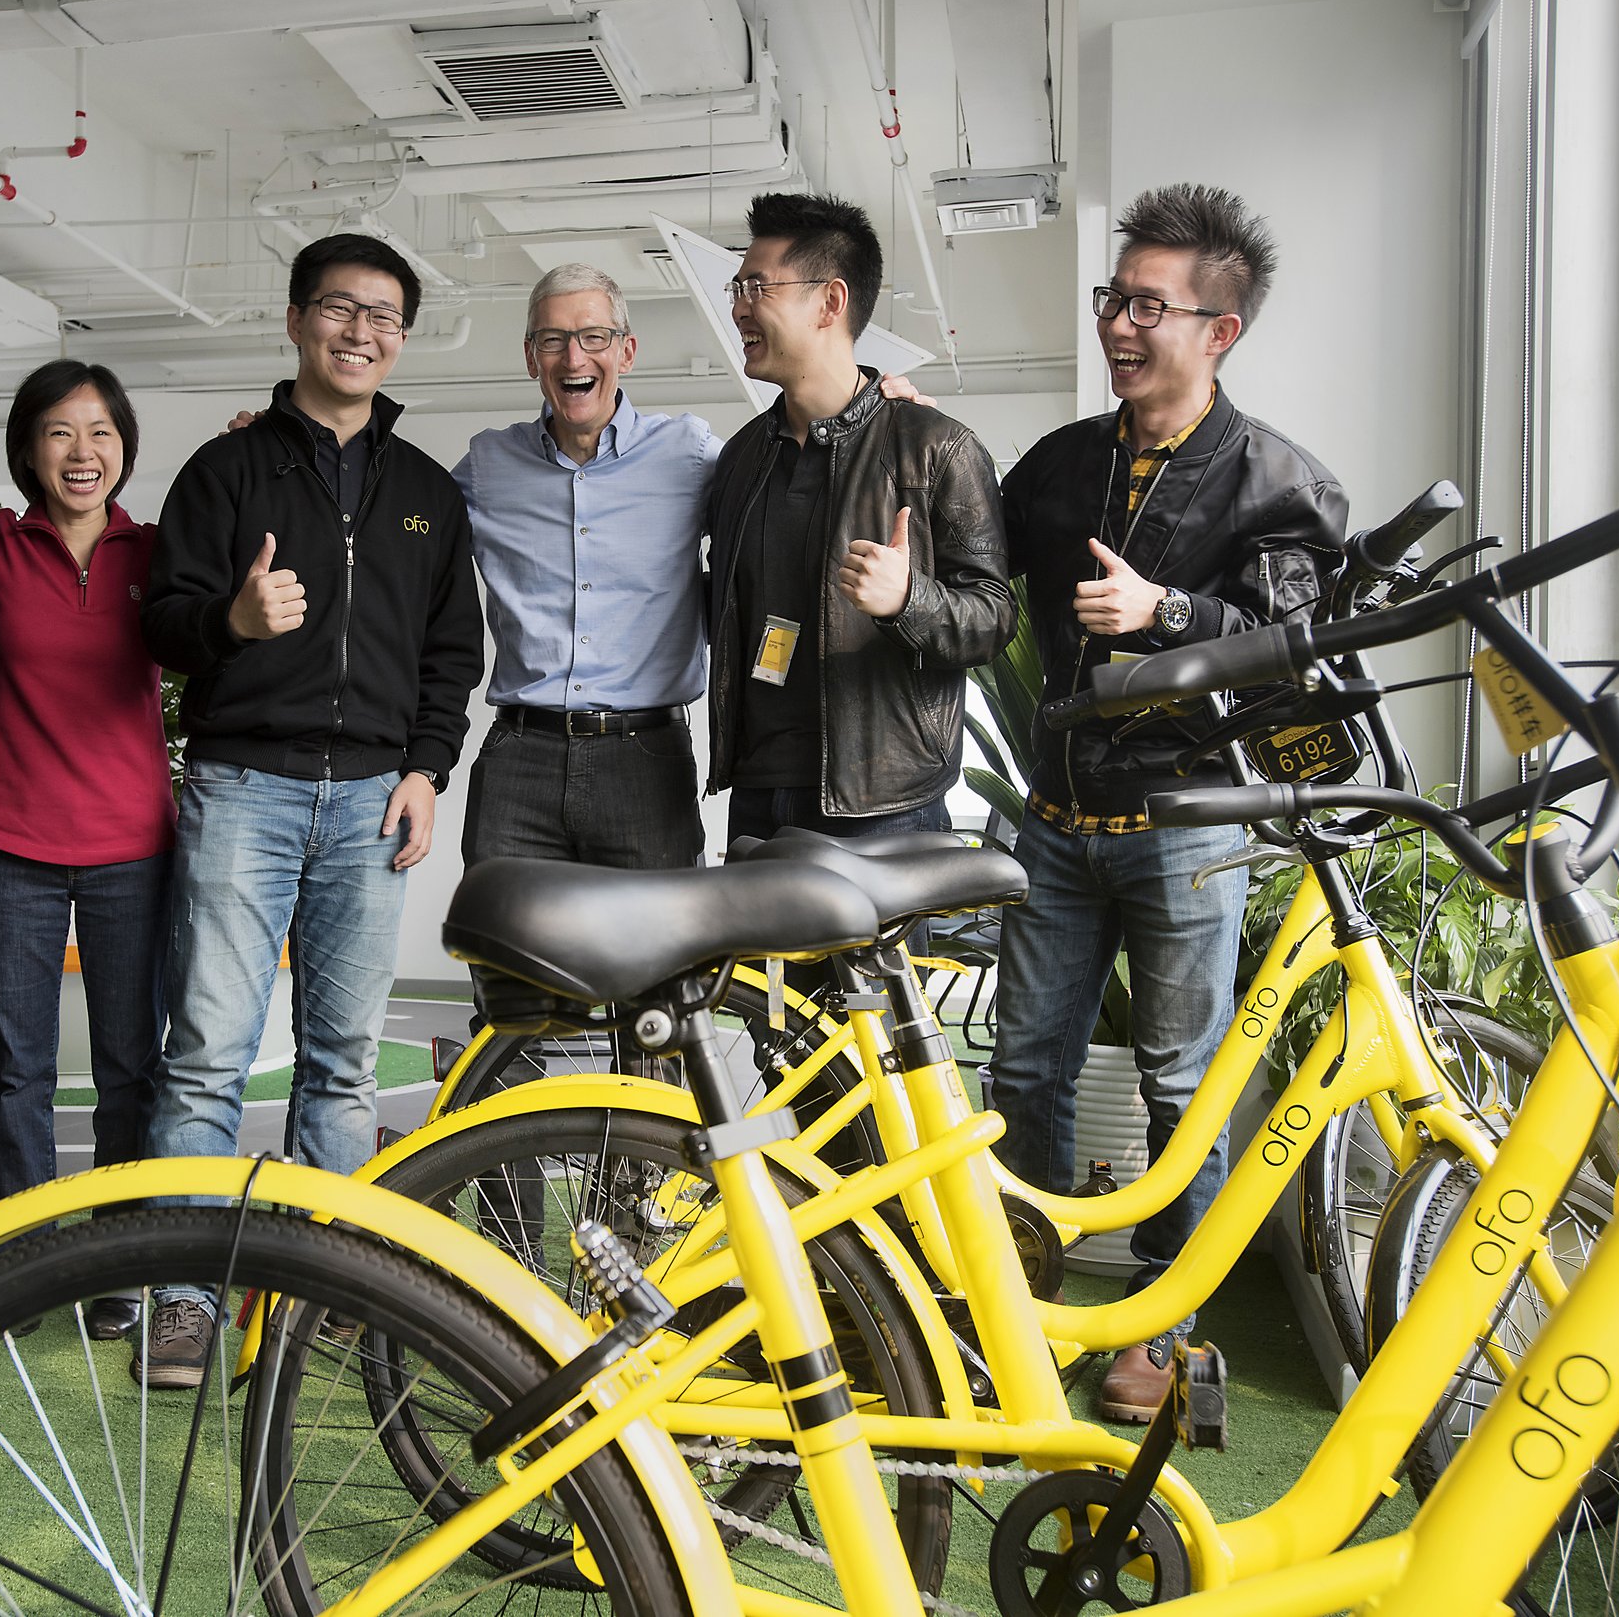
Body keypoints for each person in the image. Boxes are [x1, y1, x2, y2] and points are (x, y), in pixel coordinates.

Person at [988, 182, 1349, 1422]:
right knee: (1022, 1070)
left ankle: (1163, 1324)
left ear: (1219, 330)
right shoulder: (1060, 465)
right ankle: (1019, 1290)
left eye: (1149, 306)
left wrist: (1168, 612)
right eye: (1115, 299)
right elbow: (975, 552)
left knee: (1180, 1090)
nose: (1118, 325)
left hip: (1189, 827)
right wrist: (909, 431)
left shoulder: (1279, 481)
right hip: (1054, 819)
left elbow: (1296, 649)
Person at [135, 232, 483, 1386]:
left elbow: (452, 651)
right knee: (207, 1057)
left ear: (401, 338)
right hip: (245, 786)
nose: (359, 331)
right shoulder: (224, 472)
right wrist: (230, 622)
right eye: (338, 308)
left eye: (382, 316)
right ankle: (184, 1301)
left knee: (342, 1064)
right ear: (295, 321)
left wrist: (426, 768)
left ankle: (325, 1293)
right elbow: (161, 621)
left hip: (375, 799)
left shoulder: (426, 493)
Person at [0, 360, 172, 1344]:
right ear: (27, 449)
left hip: (135, 848)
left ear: (123, 446)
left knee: (131, 1069)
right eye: (59, 431)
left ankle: (117, 1263)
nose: (81, 452)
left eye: (100, 432)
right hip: (13, 847)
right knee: (20, 1071)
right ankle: (22, 1261)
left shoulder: (159, 553)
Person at [705, 192, 1014, 845]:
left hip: (885, 803)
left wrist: (908, 600)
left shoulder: (935, 447)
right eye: (737, 287)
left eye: (758, 286)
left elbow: (993, 618)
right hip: (758, 795)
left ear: (830, 302)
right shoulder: (741, 458)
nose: (738, 306)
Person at [452, 262, 716, 872]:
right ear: (531, 357)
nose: (574, 357)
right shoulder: (488, 465)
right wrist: (281, 438)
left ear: (626, 351)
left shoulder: (690, 454)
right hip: (519, 759)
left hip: (646, 760)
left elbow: (786, 494)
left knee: (662, 935)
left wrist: (876, 412)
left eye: (594, 336)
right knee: (499, 933)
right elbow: (389, 518)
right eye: (553, 339)